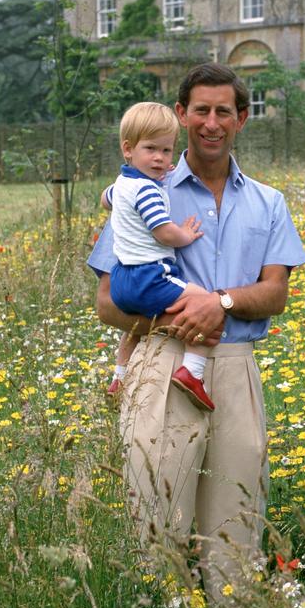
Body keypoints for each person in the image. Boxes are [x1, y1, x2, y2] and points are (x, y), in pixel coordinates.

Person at [87, 64, 305, 600]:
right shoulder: (142, 188)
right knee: (157, 519)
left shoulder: (267, 202)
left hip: (234, 368)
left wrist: (221, 302)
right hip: (162, 360)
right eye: (200, 111)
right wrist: (177, 318)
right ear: (182, 115)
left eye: (224, 112)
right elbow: (106, 301)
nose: (211, 123)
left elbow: (275, 292)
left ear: (242, 119)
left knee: (237, 521)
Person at [103, 101, 215, 412]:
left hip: (122, 280)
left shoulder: (122, 184)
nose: (160, 158)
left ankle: (119, 376)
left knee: (133, 330)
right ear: (128, 149)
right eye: (151, 149)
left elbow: (105, 199)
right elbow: (163, 232)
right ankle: (192, 372)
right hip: (151, 274)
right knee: (205, 304)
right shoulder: (148, 191)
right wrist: (186, 235)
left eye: (167, 151)